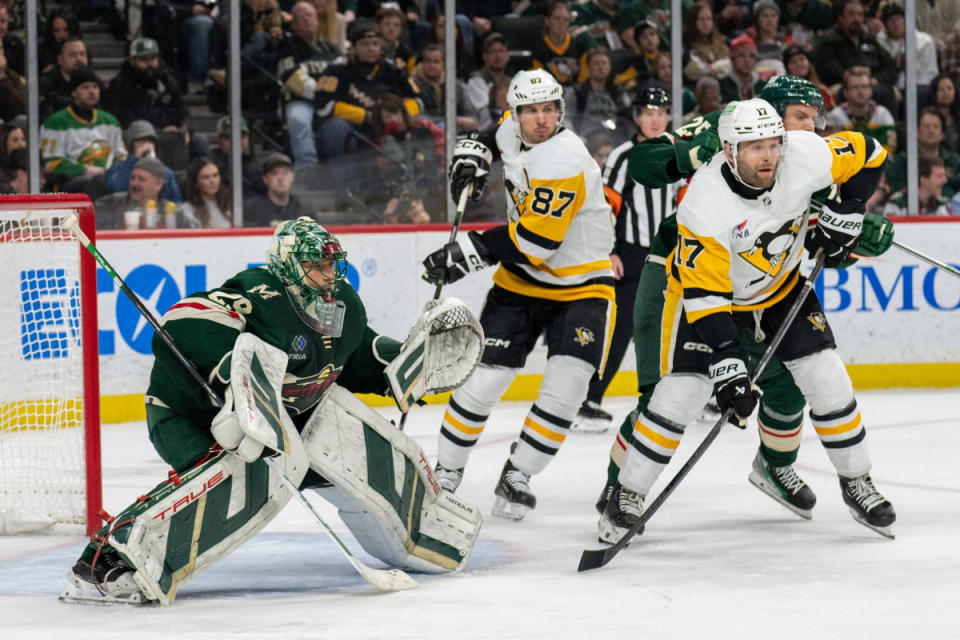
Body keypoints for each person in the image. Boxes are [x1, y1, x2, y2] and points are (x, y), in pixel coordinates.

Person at [61, 217, 482, 604]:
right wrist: (228, 378)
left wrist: (406, 364)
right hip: (188, 415)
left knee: (340, 433)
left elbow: (353, 360)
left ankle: (419, 525)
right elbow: (183, 320)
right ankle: (108, 560)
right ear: (288, 265)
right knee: (244, 472)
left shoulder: (345, 307)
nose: (329, 276)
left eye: (333, 265)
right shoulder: (260, 294)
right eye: (318, 265)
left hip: (285, 422)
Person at [593, 76, 896, 542]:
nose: (769, 157)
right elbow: (707, 298)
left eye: (773, 145)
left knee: (827, 375)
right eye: (755, 148)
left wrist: (851, 211)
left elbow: (871, 152)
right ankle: (626, 492)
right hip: (716, 299)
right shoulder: (704, 203)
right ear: (728, 152)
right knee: (683, 392)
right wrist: (729, 363)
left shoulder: (806, 152)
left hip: (780, 287)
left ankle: (857, 480)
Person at [421, 69, 616, 521]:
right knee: (484, 379)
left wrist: (467, 250)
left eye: (549, 109)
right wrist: (475, 151)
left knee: (567, 388)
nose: (541, 119)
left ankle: (519, 473)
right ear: (516, 113)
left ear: (560, 112)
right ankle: (447, 471)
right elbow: (494, 137)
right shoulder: (512, 130)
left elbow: (536, 242)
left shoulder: (565, 159)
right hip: (521, 284)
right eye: (531, 111)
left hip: (582, 284)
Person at [574, 86, 674, 432]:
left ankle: (677, 399)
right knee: (621, 332)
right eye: (649, 113)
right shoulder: (623, 156)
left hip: (672, 256)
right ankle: (589, 400)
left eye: (661, 113)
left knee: (680, 327)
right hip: (631, 255)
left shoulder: (677, 151)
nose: (656, 119)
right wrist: (610, 250)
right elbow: (606, 207)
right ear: (637, 118)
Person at [40, 67, 126, 198]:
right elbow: (52, 163)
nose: (92, 92)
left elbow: (121, 157)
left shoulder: (110, 121)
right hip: (72, 183)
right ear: (74, 92)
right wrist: (86, 171)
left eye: (95, 87)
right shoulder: (56, 122)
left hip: (108, 178)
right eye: (85, 87)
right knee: (96, 183)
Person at [277, 1, 341, 168]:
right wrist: (324, 92)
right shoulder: (287, 46)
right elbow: (293, 79)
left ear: (317, 20)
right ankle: (307, 167)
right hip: (299, 100)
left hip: (329, 99)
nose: (306, 20)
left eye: (310, 15)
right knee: (297, 119)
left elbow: (342, 76)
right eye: (300, 17)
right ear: (294, 25)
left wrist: (329, 95)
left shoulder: (331, 49)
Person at [885, 108, 960, 197]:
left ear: (942, 134)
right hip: (910, 208)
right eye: (926, 126)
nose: (931, 130)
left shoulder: (954, 160)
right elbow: (894, 187)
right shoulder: (902, 160)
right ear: (917, 131)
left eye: (936, 127)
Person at [105, 119, 183, 204]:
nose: (147, 145)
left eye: (150, 141)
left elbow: (176, 202)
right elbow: (118, 188)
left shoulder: (166, 172)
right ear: (131, 145)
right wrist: (136, 159)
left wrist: (154, 166)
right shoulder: (117, 168)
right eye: (141, 141)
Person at [824, 66, 896, 155]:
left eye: (864, 86)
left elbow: (889, 150)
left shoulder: (883, 115)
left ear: (871, 90)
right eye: (855, 87)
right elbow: (831, 151)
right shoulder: (834, 117)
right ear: (845, 92)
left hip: (878, 166)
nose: (860, 91)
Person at [563, 47, 631, 139]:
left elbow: (628, 118)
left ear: (609, 66)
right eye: (596, 63)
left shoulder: (618, 92)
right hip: (587, 139)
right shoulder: (575, 92)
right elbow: (566, 118)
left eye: (604, 63)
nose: (601, 67)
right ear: (588, 67)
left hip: (617, 138)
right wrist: (576, 140)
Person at [94, 156, 171, 229]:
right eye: (132, 178)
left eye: (141, 179)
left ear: (159, 184)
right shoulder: (108, 206)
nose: (134, 183)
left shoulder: (172, 212)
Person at [875, 3, 936, 93]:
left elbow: (929, 74)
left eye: (898, 19)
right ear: (885, 26)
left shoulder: (924, 41)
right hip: (891, 88)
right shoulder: (880, 40)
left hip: (920, 87)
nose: (895, 24)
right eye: (890, 21)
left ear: (906, 20)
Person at [462, 32, 510, 132]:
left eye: (501, 51)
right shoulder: (476, 80)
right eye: (493, 51)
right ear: (484, 56)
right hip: (481, 130)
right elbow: (485, 114)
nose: (498, 55)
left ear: (507, 55)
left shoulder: (510, 81)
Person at [531, 0, 585, 87]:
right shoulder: (538, 48)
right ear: (547, 21)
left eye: (566, 20)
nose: (561, 23)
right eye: (557, 18)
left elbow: (584, 81)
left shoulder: (579, 46)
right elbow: (537, 81)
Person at [243, 152, 304, 226]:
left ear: (292, 177)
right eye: (274, 173)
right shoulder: (252, 209)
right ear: (265, 179)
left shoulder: (300, 208)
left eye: (285, 173)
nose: (280, 178)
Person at [37, 37, 88, 121]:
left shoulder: (94, 82)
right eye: (72, 55)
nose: (79, 59)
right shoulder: (47, 83)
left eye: (82, 54)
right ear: (60, 59)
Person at [884, 156, 950, 217]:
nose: (945, 180)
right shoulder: (897, 204)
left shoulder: (940, 204)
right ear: (923, 180)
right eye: (940, 176)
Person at [180, 157, 233, 227]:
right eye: (206, 177)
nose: (212, 181)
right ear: (196, 183)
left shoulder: (231, 205)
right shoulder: (187, 210)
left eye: (215, 175)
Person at [719, 35, 763, 103]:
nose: (747, 61)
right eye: (741, 56)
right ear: (732, 59)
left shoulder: (762, 85)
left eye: (751, 56)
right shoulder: (721, 85)